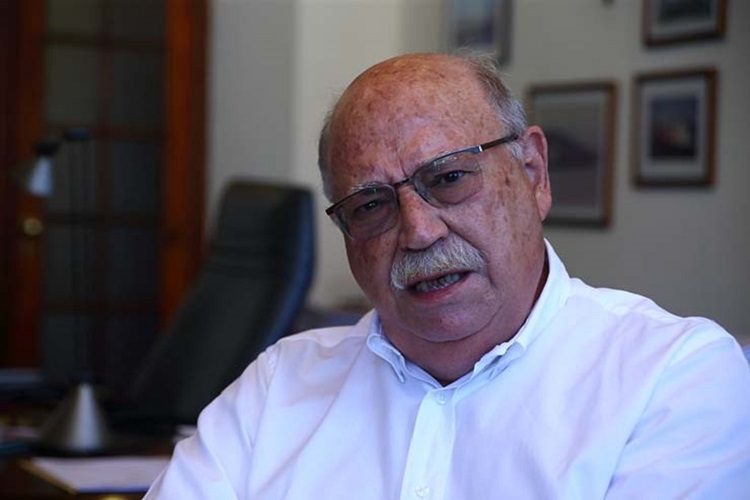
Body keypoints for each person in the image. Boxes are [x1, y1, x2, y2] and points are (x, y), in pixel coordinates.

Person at [145, 53, 750, 499]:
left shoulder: (672, 377)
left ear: (534, 173)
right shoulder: (279, 387)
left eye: (450, 178)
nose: (419, 231)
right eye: (371, 205)